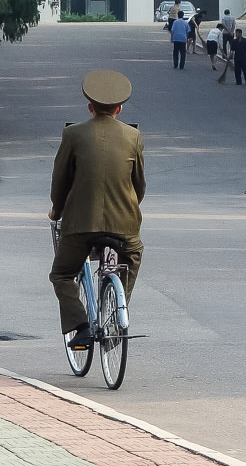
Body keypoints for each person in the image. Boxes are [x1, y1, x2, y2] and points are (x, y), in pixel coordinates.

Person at [49, 70, 145, 348]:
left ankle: (80, 327)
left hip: (80, 226)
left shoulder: (72, 134)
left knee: (62, 273)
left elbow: (60, 181)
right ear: (120, 108)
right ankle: (117, 314)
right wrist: (128, 207)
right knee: (132, 256)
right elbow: (139, 185)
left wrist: (57, 210)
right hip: (124, 225)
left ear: (89, 107)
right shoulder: (133, 136)